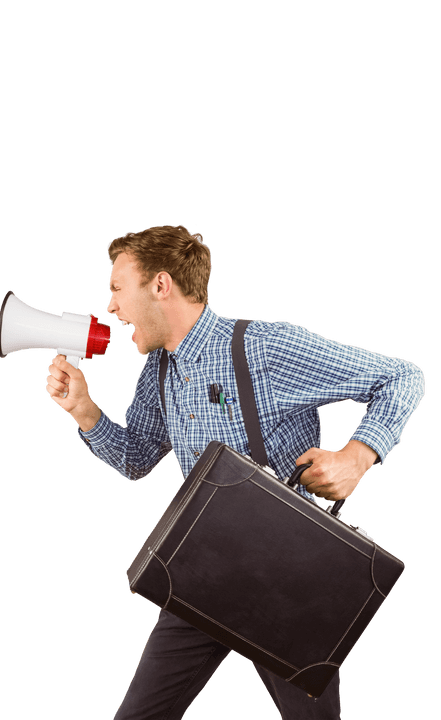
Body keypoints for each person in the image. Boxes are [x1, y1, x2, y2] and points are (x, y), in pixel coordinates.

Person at [44, 225, 425, 720]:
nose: (111, 306)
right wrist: (85, 411)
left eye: (117, 288)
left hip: (289, 580)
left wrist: (356, 456)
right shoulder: (158, 370)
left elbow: (402, 377)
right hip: (205, 569)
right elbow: (137, 459)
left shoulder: (263, 348)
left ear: (161, 285)